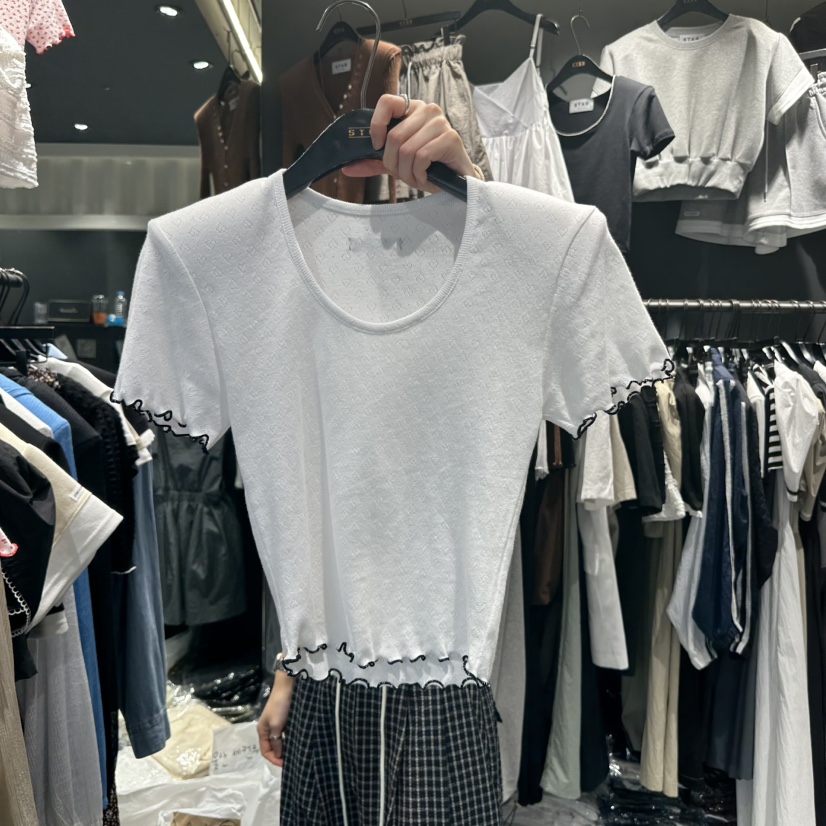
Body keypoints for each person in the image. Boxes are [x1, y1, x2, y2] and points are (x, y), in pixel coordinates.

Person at [257, 92, 486, 771]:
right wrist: (287, 674)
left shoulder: (501, 264)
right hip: (324, 678)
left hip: (447, 677)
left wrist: (476, 189)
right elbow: (315, 507)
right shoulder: (254, 267)